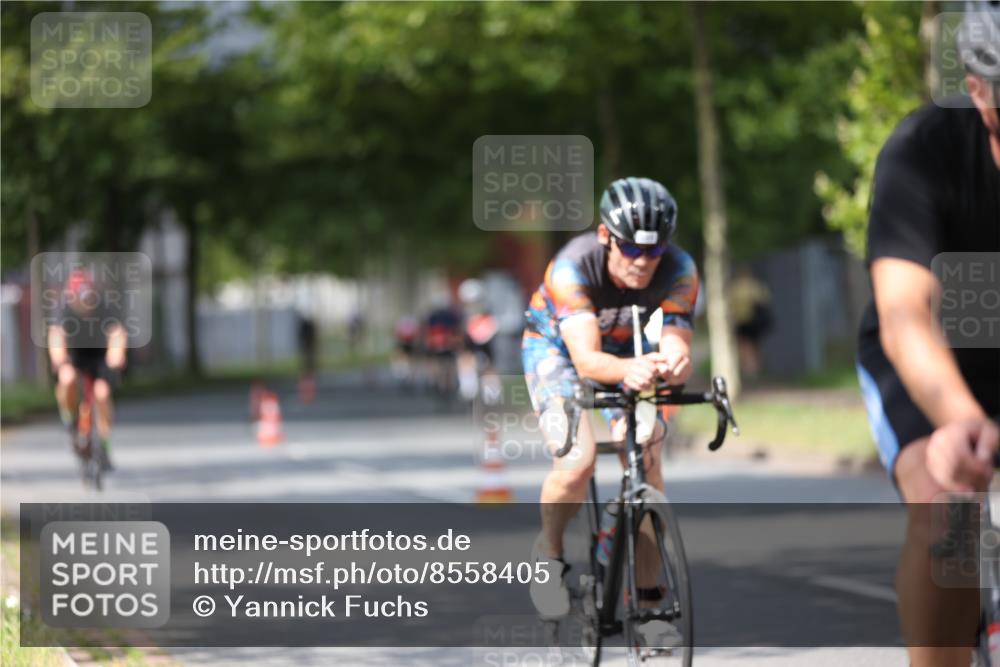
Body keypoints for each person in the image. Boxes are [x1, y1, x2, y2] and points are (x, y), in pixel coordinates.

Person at [855, 4, 1000, 664]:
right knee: (950, 510)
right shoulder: (922, 152)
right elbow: (905, 314)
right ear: (977, 88)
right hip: (928, 353)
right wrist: (962, 421)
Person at [522, 177, 699, 620]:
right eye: (632, 250)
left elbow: (676, 341)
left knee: (648, 461)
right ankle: (549, 555)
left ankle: (651, 601)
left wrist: (675, 362)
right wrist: (631, 370)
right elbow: (586, 362)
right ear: (605, 236)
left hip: (627, 350)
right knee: (577, 461)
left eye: (654, 251)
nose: (643, 262)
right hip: (558, 352)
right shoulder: (570, 270)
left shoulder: (680, 269)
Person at [47, 268, 127, 471]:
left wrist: (116, 354)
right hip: (75, 356)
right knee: (67, 378)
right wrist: (59, 357)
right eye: (81, 298)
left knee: (102, 393)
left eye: (89, 297)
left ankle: (105, 445)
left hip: (100, 358)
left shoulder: (105, 307)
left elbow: (117, 332)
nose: (86, 302)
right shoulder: (63, 309)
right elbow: (56, 335)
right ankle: (69, 419)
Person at [728, 266, 772, 380]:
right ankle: (754, 369)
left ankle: (748, 369)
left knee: (743, 346)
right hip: (754, 321)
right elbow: (765, 301)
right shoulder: (756, 286)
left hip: (741, 321)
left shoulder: (735, 287)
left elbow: (730, 306)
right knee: (755, 346)